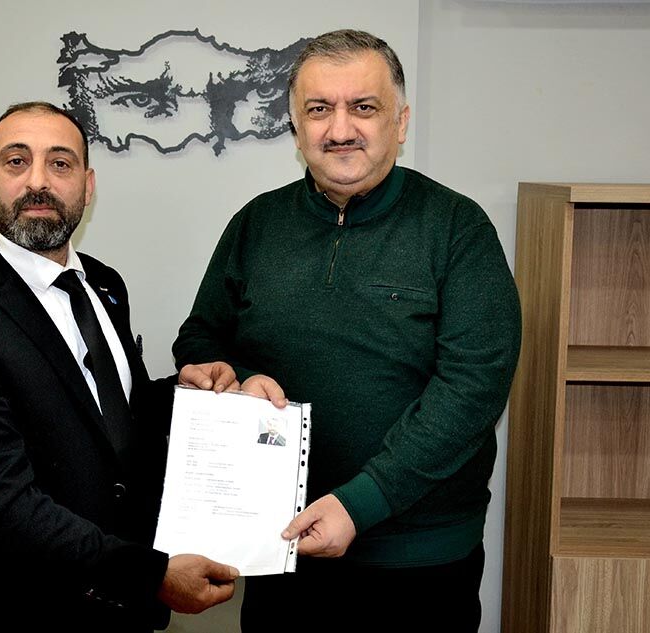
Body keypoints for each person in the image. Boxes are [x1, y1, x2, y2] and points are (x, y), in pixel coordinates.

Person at [173, 30, 521, 633]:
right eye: (318, 109)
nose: (339, 130)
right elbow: (201, 338)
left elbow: (474, 387)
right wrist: (234, 377)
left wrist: (359, 504)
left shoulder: (457, 228)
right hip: (280, 551)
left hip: (419, 564)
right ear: (295, 126)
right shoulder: (256, 224)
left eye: (363, 107)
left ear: (400, 122)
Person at [0, 101, 240, 633]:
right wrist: (150, 576)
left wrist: (189, 392)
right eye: (17, 161)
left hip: (120, 616)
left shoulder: (103, 284)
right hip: (17, 616)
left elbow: (112, 415)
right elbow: (2, 504)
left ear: (87, 185)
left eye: (60, 163)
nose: (38, 181)